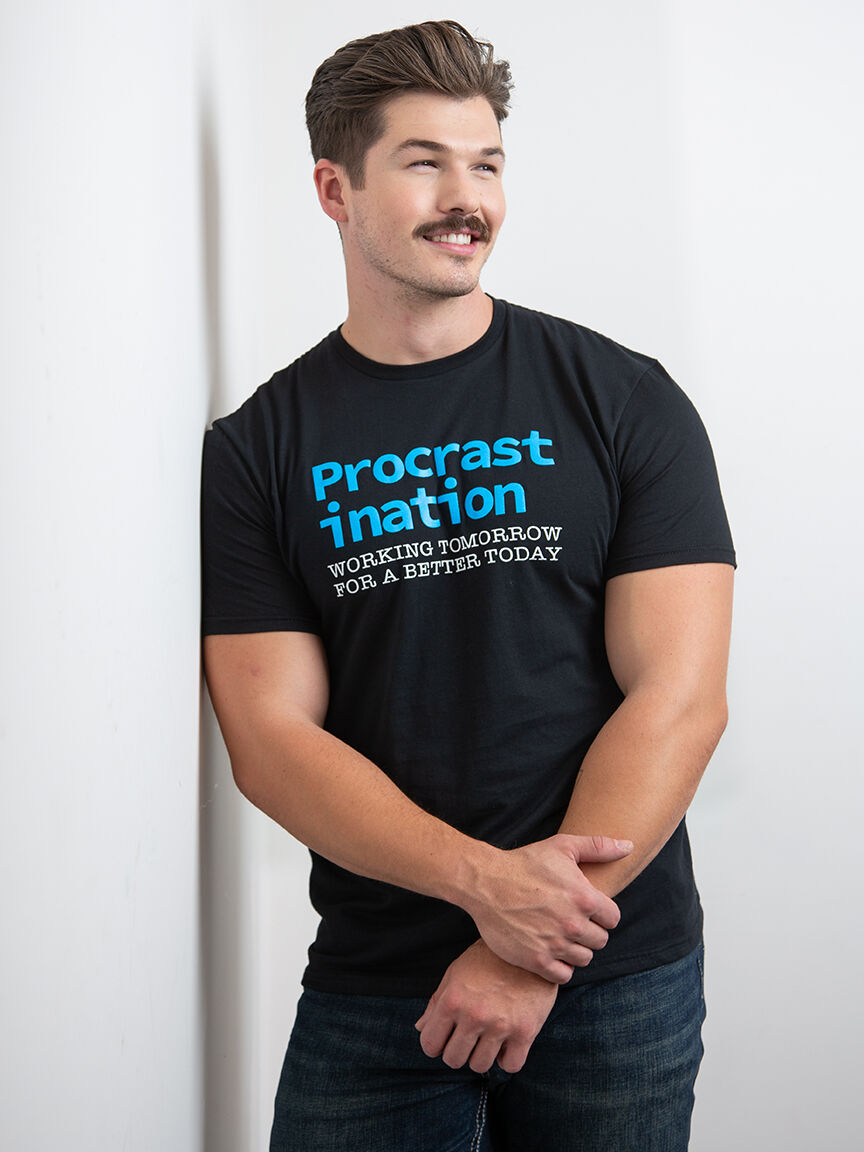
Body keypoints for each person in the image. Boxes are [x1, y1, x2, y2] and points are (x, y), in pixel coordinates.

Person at [201, 19, 735, 1152]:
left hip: (612, 980)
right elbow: (270, 738)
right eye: (424, 163)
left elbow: (681, 700)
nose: (466, 199)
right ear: (334, 190)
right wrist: (488, 890)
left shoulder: (621, 398)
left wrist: (527, 950)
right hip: (376, 989)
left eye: (486, 164)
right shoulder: (257, 450)